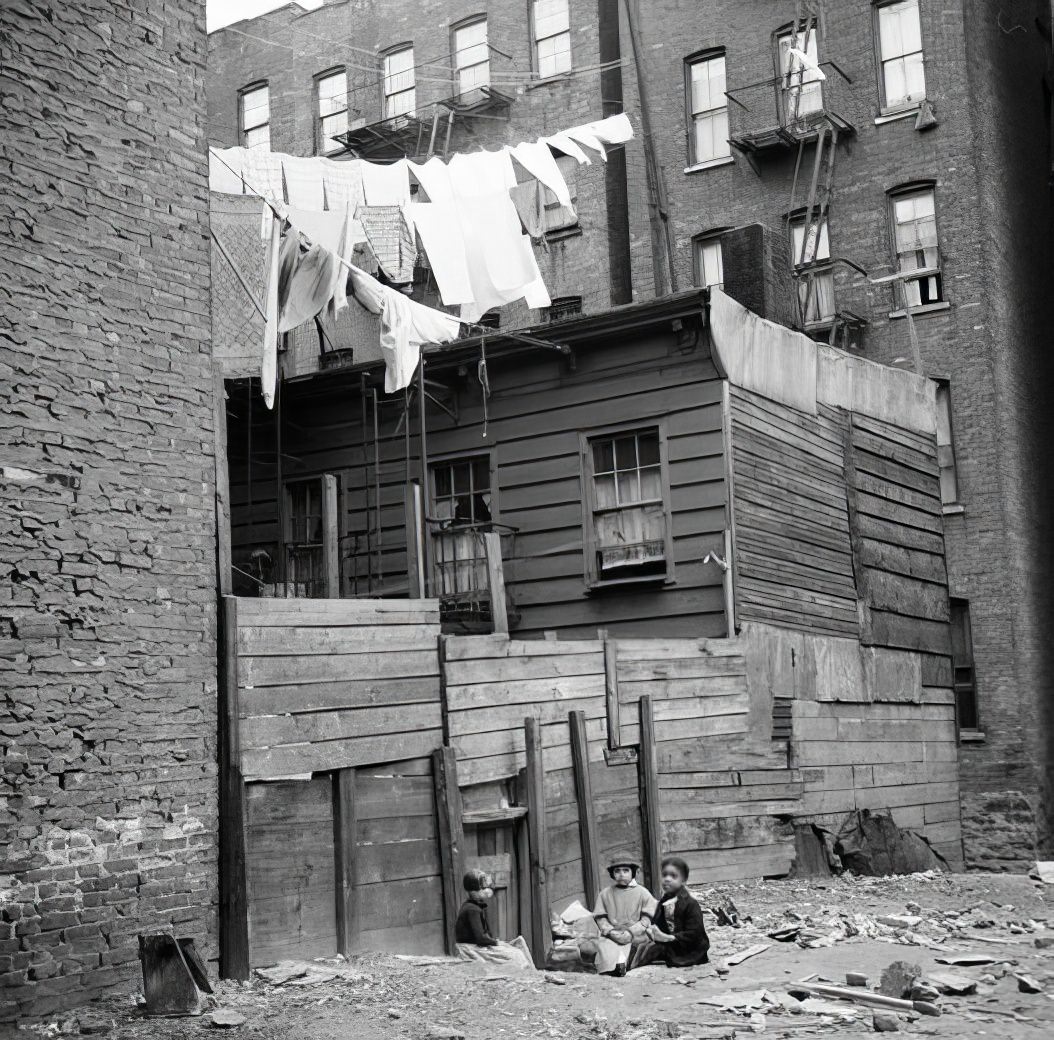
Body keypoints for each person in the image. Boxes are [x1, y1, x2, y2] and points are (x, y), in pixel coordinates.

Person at [631, 856, 709, 969]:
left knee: (650, 950)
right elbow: (657, 925)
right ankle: (625, 967)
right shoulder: (664, 901)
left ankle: (632, 968)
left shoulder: (691, 904)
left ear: (683, 880)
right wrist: (651, 931)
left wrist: (667, 938)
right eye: (664, 875)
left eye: (673, 876)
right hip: (670, 944)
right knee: (638, 946)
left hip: (689, 949)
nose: (667, 879)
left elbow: (695, 934)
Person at [586, 855, 657, 976]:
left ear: (633, 873)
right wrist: (611, 932)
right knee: (606, 950)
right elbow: (600, 918)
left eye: (626, 870)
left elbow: (646, 919)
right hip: (613, 934)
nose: (621, 874)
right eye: (617, 871)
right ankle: (616, 966)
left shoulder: (642, 892)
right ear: (612, 874)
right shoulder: (605, 894)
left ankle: (627, 963)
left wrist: (630, 932)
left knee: (639, 948)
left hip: (636, 933)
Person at [454, 868, 535, 970]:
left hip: (474, 945)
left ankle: (531, 972)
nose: (487, 889)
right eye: (483, 887)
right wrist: (496, 943)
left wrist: (495, 942)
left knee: (518, 945)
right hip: (470, 948)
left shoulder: (472, 906)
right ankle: (527, 974)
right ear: (474, 890)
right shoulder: (472, 910)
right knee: (516, 954)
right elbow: (480, 938)